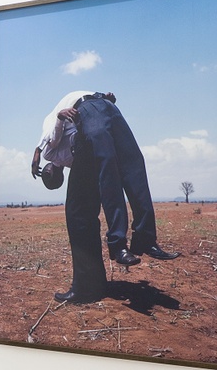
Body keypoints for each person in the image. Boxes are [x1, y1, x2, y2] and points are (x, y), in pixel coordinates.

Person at [31, 91, 180, 303]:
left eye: (47, 175)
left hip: (91, 108)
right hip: (104, 110)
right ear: (58, 176)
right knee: (132, 166)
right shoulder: (68, 158)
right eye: (51, 180)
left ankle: (113, 252)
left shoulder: (50, 153)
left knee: (91, 197)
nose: (48, 174)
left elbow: (51, 131)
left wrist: (38, 149)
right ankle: (144, 238)